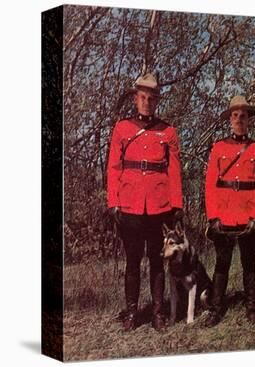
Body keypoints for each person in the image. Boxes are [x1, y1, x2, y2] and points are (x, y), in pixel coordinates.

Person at [107, 73, 183, 332]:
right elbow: (114, 167)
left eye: (151, 98)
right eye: (142, 97)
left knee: (156, 260)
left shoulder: (168, 131)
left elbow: (173, 170)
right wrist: (113, 202)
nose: (147, 102)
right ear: (136, 99)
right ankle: (131, 313)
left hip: (159, 205)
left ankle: (158, 313)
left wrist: (177, 204)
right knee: (132, 261)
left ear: (157, 101)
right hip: (130, 204)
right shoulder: (122, 128)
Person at [204, 95, 255, 327]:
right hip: (224, 214)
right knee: (222, 263)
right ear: (229, 119)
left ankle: (252, 308)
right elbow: (210, 185)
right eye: (235, 115)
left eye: (243, 115)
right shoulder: (219, 147)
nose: (239, 119)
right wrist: (213, 217)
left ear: (249, 119)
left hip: (247, 214)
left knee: (249, 263)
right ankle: (216, 309)